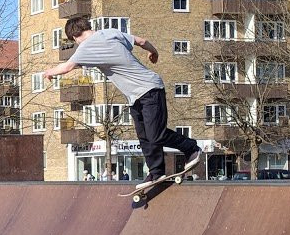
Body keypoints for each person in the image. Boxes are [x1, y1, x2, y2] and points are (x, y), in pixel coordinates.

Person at [44, 15, 202, 185]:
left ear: (74, 37)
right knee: (145, 137)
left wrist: (49, 72)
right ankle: (157, 173)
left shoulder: (85, 47)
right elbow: (141, 41)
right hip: (136, 96)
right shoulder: (111, 33)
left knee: (155, 135)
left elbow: (68, 66)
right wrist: (153, 51)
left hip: (150, 90)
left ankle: (191, 148)